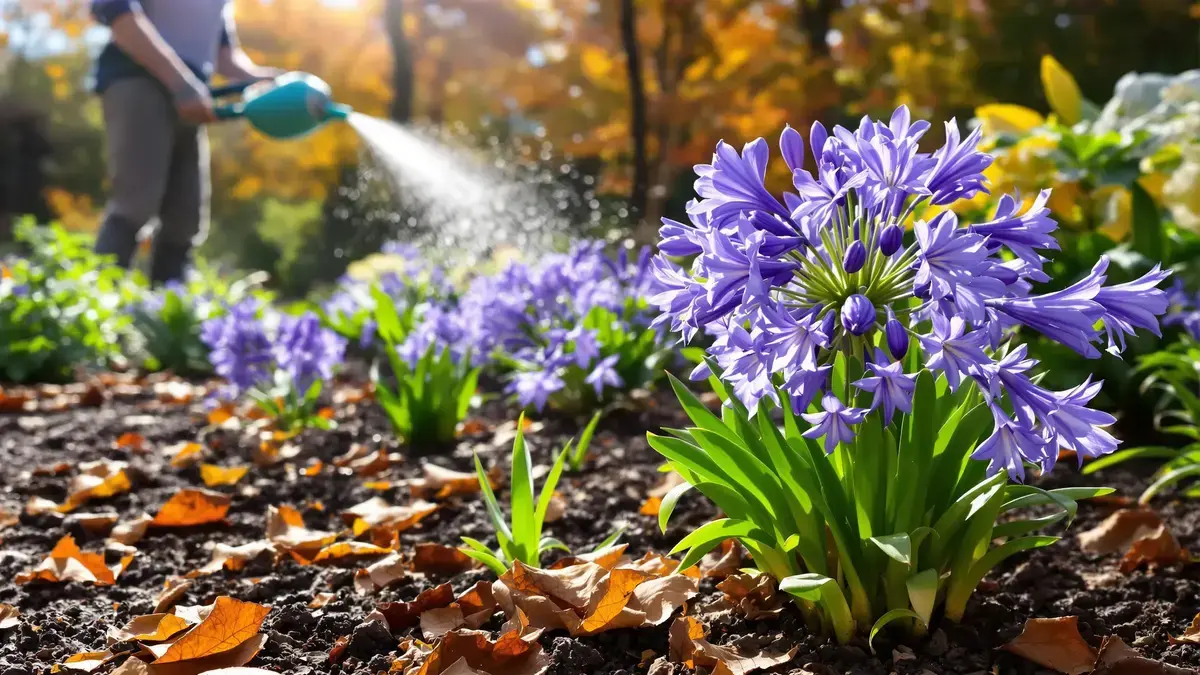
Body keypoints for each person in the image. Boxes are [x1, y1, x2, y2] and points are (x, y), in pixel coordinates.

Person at [90, 0, 280, 284]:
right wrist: (180, 83)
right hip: (137, 76)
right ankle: (97, 299)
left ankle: (167, 306)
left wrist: (271, 80)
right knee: (135, 204)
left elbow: (225, 56)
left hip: (191, 93)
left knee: (185, 218)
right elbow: (119, 16)